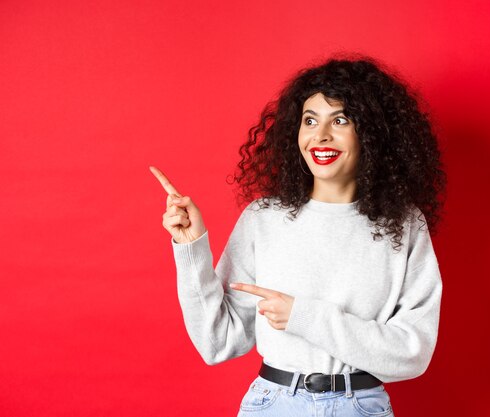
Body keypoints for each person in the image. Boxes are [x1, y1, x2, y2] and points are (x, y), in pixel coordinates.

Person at [150, 55, 445, 417]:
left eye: (339, 120)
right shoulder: (264, 218)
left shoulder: (403, 224)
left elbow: (411, 354)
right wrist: (191, 248)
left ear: (371, 132)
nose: (320, 136)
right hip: (273, 404)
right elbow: (218, 342)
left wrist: (304, 317)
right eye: (310, 120)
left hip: (361, 406)